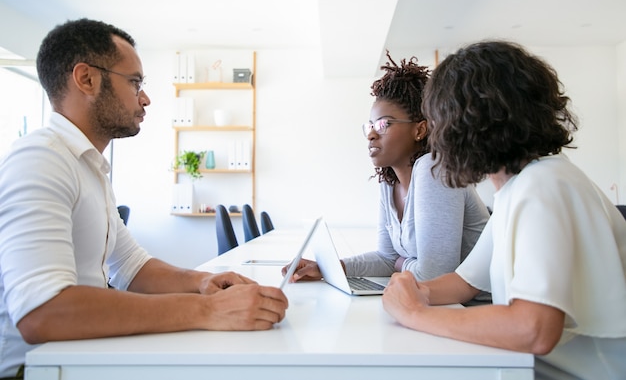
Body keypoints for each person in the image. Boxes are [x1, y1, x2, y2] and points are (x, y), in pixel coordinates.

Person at [0, 19, 288, 378]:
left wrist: (201, 283)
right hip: (35, 370)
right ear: (86, 79)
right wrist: (207, 311)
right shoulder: (41, 159)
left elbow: (132, 266)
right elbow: (41, 312)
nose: (145, 97)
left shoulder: (87, 166)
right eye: (134, 82)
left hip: (76, 358)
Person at [381, 40, 626, 380]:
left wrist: (413, 313)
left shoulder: (543, 186)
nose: (435, 135)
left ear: (469, 123)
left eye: (437, 120)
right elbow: (465, 282)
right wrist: (412, 291)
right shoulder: (518, 186)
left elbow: (535, 330)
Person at [285, 52, 490, 285]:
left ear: (420, 130)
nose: (372, 133)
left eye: (384, 124)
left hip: (473, 309)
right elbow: (386, 258)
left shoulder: (435, 169)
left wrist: (402, 263)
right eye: (370, 125)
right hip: (436, 304)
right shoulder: (389, 182)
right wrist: (329, 268)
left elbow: (434, 277)